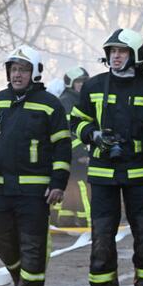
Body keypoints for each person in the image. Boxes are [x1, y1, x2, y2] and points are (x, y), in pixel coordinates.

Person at [70, 28, 143, 286]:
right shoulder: (94, 86)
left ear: (136, 54)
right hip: (103, 175)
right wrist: (93, 135)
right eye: (112, 51)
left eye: (122, 51)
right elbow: (76, 122)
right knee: (102, 238)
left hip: (138, 174)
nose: (116, 56)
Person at [0, 45, 71, 286]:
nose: (17, 74)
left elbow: (62, 146)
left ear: (35, 73)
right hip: (0, 188)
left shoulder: (50, 105)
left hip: (35, 191)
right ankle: (20, 277)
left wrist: (58, 183)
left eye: (23, 70)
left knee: (32, 244)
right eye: (14, 69)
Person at [54, 66, 91, 227]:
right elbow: (69, 131)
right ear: (70, 84)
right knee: (84, 186)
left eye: (84, 81)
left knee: (70, 186)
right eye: (78, 82)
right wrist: (80, 152)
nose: (82, 84)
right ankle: (87, 220)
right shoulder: (68, 102)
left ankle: (65, 219)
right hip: (73, 154)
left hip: (67, 153)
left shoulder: (76, 99)